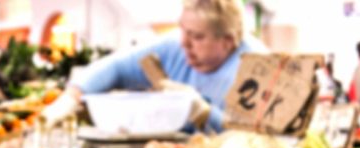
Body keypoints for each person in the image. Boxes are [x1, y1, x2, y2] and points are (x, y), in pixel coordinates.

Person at [41, 0, 264, 132]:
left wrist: (203, 112)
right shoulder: (174, 46)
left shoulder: (257, 66)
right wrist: (72, 96)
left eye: (197, 36)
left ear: (229, 40)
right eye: (183, 30)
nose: (184, 43)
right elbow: (117, 67)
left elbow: (255, 136)